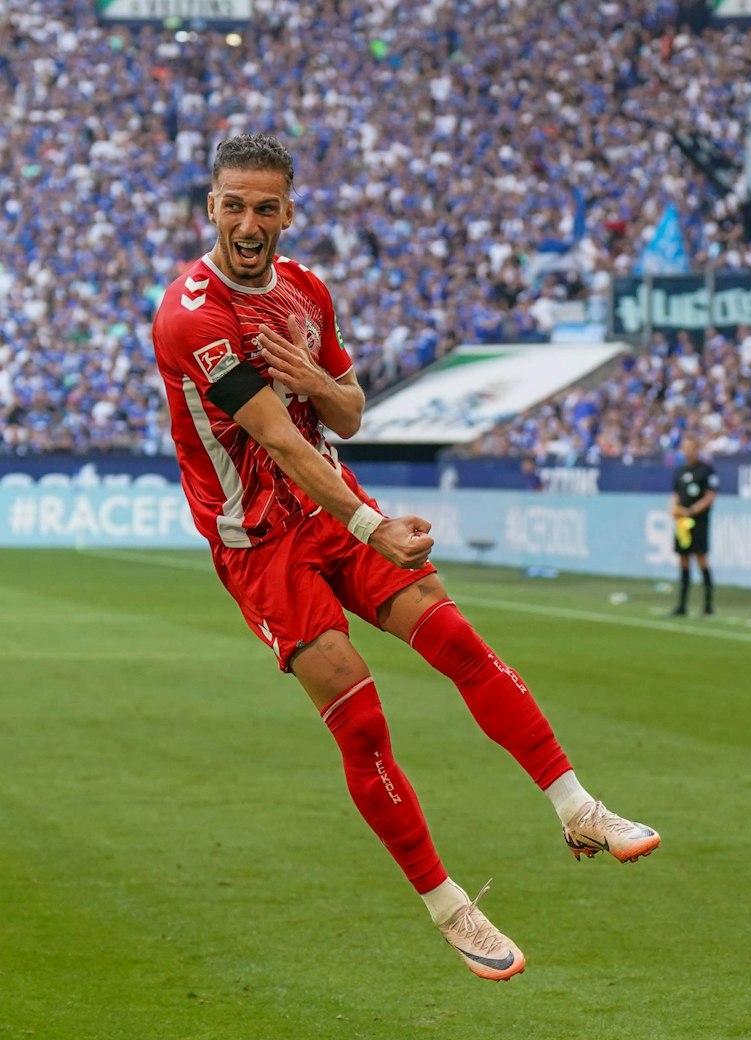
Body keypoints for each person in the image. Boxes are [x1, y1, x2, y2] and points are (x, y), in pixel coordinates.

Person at [151, 134, 658, 982]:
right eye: (233, 204)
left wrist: (316, 377)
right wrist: (371, 525)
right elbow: (276, 441)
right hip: (261, 543)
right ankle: (448, 903)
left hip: (331, 508)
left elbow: (346, 414)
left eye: (265, 206)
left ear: (287, 211)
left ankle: (577, 807)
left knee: (456, 638)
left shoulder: (306, 289)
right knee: (361, 718)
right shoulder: (192, 313)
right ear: (210, 206)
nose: (248, 222)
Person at [669, 435, 717, 616]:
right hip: (682, 523)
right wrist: (674, 509)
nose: (688, 451)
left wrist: (693, 510)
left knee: (701, 558)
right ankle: (681, 605)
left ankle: (708, 606)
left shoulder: (706, 470)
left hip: (699, 521)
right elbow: (675, 494)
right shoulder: (680, 471)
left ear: (696, 449)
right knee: (683, 559)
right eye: (685, 447)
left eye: (691, 447)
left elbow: (710, 495)